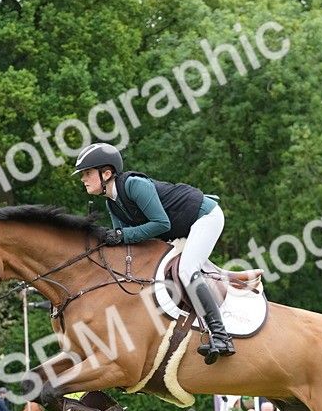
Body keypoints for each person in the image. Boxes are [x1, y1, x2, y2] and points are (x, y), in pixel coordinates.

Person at [73, 142, 235, 364]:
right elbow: (127, 244)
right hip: (179, 228)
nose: (83, 178)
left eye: (87, 173)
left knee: (187, 270)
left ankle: (220, 335)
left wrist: (120, 235)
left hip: (203, 217)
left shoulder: (134, 185)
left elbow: (160, 223)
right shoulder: (113, 204)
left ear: (107, 173)